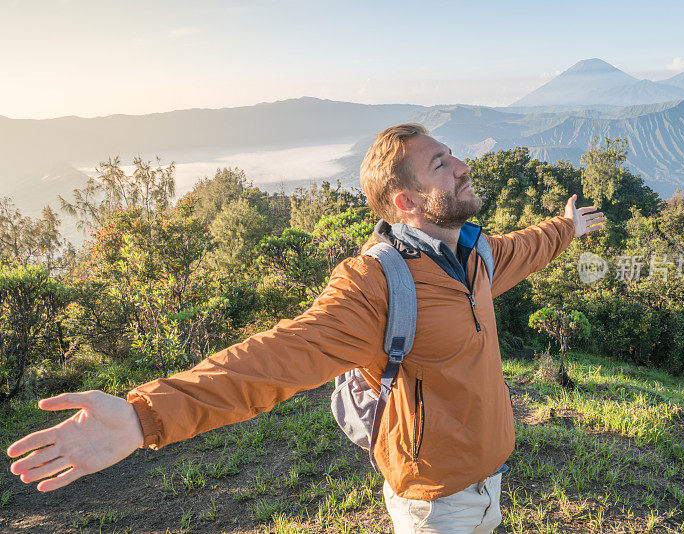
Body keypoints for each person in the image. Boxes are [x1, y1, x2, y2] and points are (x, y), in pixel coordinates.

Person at [7, 123, 606, 533]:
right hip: (433, 501)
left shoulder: (475, 254)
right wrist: (145, 415)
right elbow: (276, 357)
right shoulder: (376, 286)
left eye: (451, 156)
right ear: (405, 202)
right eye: (441, 164)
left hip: (491, 473)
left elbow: (528, 247)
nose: (463, 167)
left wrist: (569, 227)